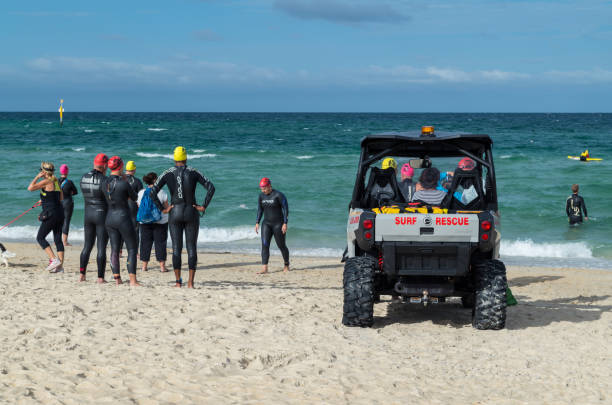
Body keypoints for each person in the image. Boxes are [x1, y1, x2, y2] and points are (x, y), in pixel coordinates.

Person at [150, 146, 215, 288]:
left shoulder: (168, 172)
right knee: (192, 248)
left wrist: (164, 209)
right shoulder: (193, 171)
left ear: (174, 158)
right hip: (191, 211)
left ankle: (178, 282)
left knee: (176, 248)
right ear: (186, 158)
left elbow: (153, 192)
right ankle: (190, 283)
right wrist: (203, 206)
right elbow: (211, 187)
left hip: (175, 212)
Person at [103, 156, 140, 286]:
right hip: (123, 217)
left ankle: (117, 279)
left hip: (109, 218)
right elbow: (135, 197)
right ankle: (133, 280)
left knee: (114, 248)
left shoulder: (104, 182)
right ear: (120, 167)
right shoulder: (124, 183)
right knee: (132, 248)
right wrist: (125, 181)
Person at [28, 162, 65, 272]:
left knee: (40, 237)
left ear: (44, 172)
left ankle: (54, 260)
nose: (40, 172)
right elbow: (61, 198)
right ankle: (60, 267)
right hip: (60, 212)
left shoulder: (45, 181)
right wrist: (44, 200)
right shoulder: (56, 181)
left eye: (41, 171)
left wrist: (37, 177)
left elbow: (30, 188)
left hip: (51, 213)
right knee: (58, 239)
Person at [79, 153, 109, 283]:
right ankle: (100, 277)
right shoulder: (104, 180)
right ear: (104, 166)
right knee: (101, 247)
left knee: (87, 246)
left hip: (88, 214)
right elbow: (109, 198)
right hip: (101, 214)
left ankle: (82, 275)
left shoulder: (83, 177)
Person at [137, 172, 172, 272]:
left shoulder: (141, 193)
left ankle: (144, 267)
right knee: (160, 243)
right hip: (160, 222)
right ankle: (162, 267)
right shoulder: (162, 192)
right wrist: (171, 207)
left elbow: (139, 207)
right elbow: (165, 208)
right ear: (155, 180)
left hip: (144, 222)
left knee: (145, 243)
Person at [255, 177, 290, 274]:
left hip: (278, 224)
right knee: (265, 245)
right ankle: (264, 268)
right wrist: (257, 222)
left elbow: (285, 209)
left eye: (265, 188)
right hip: (266, 224)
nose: (263, 190)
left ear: (269, 186)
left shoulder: (278, 195)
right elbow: (260, 209)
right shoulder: (261, 196)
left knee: (281, 245)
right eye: (262, 189)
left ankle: (286, 264)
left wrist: (285, 223)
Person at [124, 160, 144, 249]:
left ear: (126, 169)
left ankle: (120, 250)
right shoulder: (137, 181)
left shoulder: (120, 180)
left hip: (122, 206)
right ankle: (135, 251)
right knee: (135, 229)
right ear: (134, 170)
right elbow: (141, 197)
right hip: (133, 207)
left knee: (122, 228)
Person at [59, 164, 78, 246]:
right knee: (66, 221)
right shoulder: (69, 182)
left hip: (59, 203)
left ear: (60, 171)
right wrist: (69, 192)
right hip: (68, 203)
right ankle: (65, 241)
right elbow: (75, 192)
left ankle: (58, 239)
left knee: (59, 221)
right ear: (67, 172)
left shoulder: (56, 181)